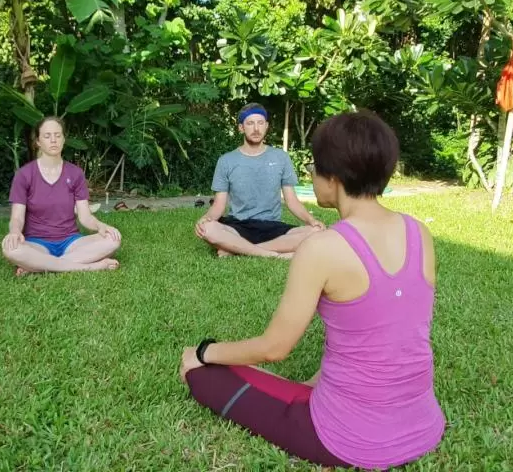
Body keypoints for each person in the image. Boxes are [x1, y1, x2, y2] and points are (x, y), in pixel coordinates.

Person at [179, 110, 445, 470]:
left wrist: (207, 351)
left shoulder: (322, 248)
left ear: (331, 178)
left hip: (344, 439)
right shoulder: (420, 233)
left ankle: (200, 359)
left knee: (192, 364)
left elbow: (274, 348)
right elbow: (384, 332)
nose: (311, 175)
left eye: (315, 168)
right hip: (424, 426)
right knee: (297, 383)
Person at [195, 103, 324, 259]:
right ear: (241, 128)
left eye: (260, 123)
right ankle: (276, 254)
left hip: (272, 227)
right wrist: (205, 219)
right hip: (238, 226)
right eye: (250, 123)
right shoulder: (226, 161)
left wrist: (311, 220)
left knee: (316, 232)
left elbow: (292, 201)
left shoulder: (281, 158)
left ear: (266, 126)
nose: (256, 129)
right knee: (208, 229)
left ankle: (239, 249)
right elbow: (219, 205)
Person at [1, 117, 121, 276]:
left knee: (113, 240)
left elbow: (85, 217)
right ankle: (89, 266)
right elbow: (17, 218)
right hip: (37, 243)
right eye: (47, 136)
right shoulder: (24, 175)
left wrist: (101, 226)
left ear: (64, 139)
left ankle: (37, 265)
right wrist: (15, 232)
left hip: (71, 242)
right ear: (38, 141)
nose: (53, 140)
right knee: (10, 249)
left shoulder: (75, 173)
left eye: (58, 135)